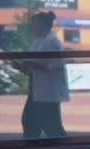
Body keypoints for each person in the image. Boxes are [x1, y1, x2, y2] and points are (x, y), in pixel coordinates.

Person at [14, 11, 69, 139]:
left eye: (34, 24)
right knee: (33, 122)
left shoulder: (52, 41)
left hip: (47, 91)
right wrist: (21, 66)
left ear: (43, 25)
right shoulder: (38, 41)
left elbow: (58, 65)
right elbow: (33, 68)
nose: (32, 27)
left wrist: (33, 65)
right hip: (38, 89)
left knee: (48, 126)